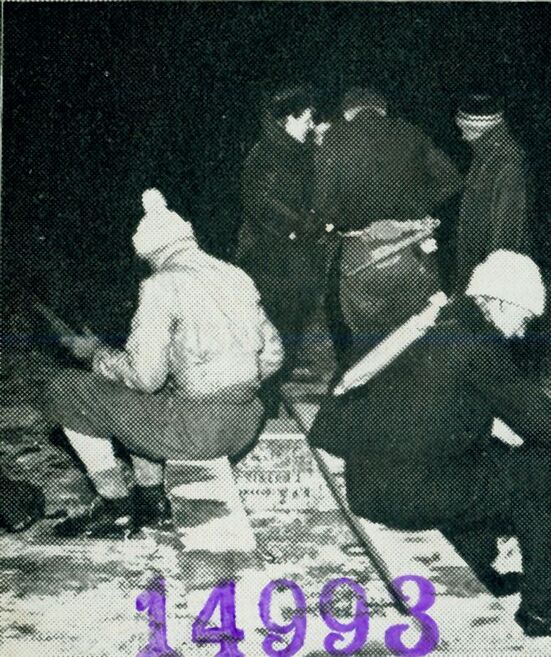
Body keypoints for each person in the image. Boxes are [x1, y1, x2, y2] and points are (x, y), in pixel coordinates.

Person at [307, 250, 551, 639]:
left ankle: (479, 567)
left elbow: (412, 404)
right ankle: (545, 608)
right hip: (408, 497)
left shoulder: (427, 315)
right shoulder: (479, 344)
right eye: (524, 319)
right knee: (544, 470)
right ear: (500, 303)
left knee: (486, 457)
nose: (521, 333)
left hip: (368, 485)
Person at [44, 189, 284, 539]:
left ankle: (115, 505)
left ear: (151, 253)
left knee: (66, 388)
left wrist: (96, 354)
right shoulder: (235, 275)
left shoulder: (161, 284)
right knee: (143, 397)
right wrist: (225, 381)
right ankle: (152, 499)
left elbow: (144, 377)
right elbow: (273, 354)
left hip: (199, 431)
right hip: (245, 421)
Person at [313, 87, 462, 361]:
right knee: (415, 331)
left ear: (347, 113)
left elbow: (322, 203)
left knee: (360, 339)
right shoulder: (411, 133)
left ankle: (363, 381)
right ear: (382, 110)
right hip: (413, 249)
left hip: (360, 251)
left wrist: (341, 219)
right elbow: (451, 179)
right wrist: (418, 205)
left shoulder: (335, 137)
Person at [237, 86, 324, 414]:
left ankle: (268, 402)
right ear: (288, 119)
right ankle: (262, 409)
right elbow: (262, 205)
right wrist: (303, 226)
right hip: (268, 263)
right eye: (307, 118)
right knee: (271, 337)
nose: (312, 125)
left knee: (289, 333)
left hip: (293, 262)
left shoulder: (297, 152)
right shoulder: (265, 155)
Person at [451, 94, 533, 292]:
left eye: (465, 130)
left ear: (478, 128)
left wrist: (486, 287)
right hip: (475, 269)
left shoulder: (507, 167)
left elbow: (506, 235)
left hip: (487, 280)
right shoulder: (484, 155)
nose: (462, 136)